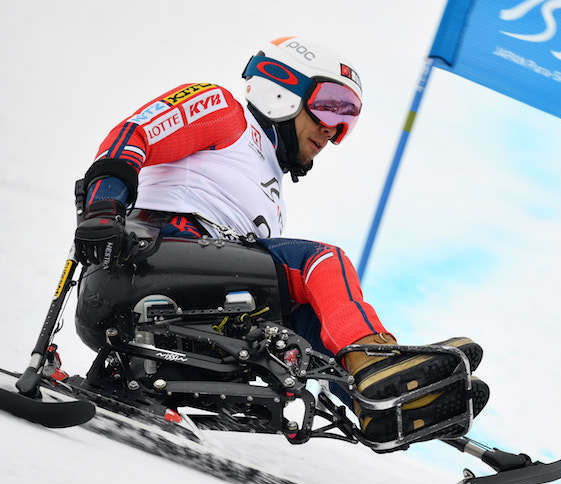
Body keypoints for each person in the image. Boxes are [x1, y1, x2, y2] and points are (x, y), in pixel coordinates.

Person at [71, 35, 489, 443]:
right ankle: (373, 358)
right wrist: (104, 207)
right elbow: (135, 133)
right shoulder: (225, 111)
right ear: (281, 88)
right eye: (329, 107)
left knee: (308, 325)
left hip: (187, 306)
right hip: (140, 261)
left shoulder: (269, 188)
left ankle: (389, 403)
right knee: (321, 263)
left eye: (346, 121)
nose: (333, 131)